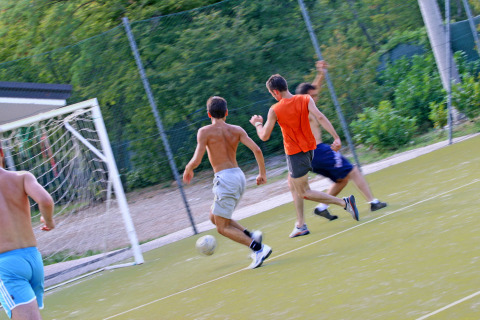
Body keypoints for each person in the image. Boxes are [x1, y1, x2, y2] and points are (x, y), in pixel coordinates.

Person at [250, 74, 360, 238]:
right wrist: (336, 137)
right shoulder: (306, 99)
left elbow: (264, 136)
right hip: (310, 150)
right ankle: (301, 224)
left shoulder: (275, 109)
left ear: (275, 92)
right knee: (292, 183)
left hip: (296, 155)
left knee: (303, 192)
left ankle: (344, 203)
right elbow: (320, 117)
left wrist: (258, 123)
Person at [183, 96, 272, 269]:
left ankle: (258, 248)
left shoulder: (204, 132)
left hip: (225, 179)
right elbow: (257, 149)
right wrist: (262, 174)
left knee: (221, 228)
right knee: (214, 217)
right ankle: (251, 235)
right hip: (239, 176)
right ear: (226, 113)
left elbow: (197, 159)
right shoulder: (237, 129)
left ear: (209, 114)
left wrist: (188, 168)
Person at [295, 61, 387, 225]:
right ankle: (373, 202)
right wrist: (335, 137)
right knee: (353, 170)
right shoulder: (307, 108)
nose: (317, 97)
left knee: (342, 180)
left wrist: (321, 74)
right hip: (318, 150)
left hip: (307, 156)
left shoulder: (298, 106)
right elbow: (321, 117)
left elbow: (313, 90)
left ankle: (322, 207)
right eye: (313, 96)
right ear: (306, 97)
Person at [0, 141, 55, 320]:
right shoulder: (22, 177)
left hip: (6, 265)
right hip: (33, 259)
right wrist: (49, 222)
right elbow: (46, 201)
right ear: (1, 153)